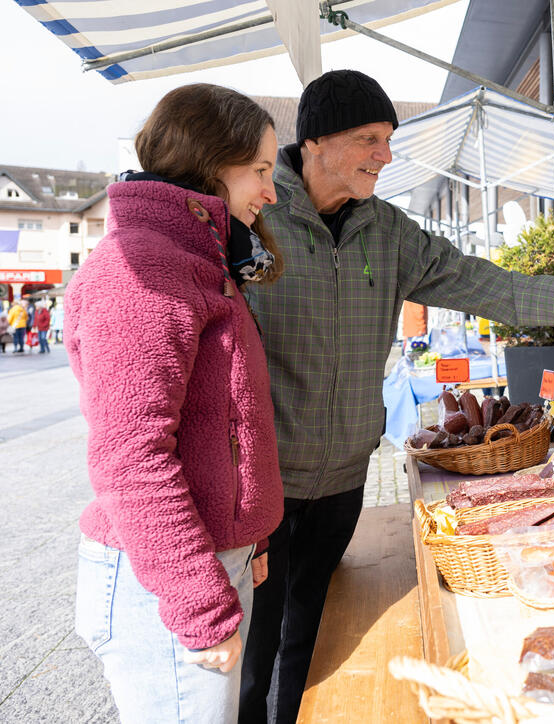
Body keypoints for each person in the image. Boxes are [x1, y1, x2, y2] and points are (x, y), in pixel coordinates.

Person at [240, 69, 554, 724]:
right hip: (265, 486)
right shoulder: (255, 219)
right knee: (253, 652)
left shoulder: (389, 231)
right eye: (369, 138)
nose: (387, 155)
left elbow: (475, 281)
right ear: (314, 141)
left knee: (308, 633)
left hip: (343, 483)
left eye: (390, 138)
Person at [65, 83, 286, 723]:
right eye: (261, 171)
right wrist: (199, 602)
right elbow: (131, 458)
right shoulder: (142, 269)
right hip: (162, 582)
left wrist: (250, 538)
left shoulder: (197, 260)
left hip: (206, 562)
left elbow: (225, 426)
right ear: (211, 161)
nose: (270, 192)